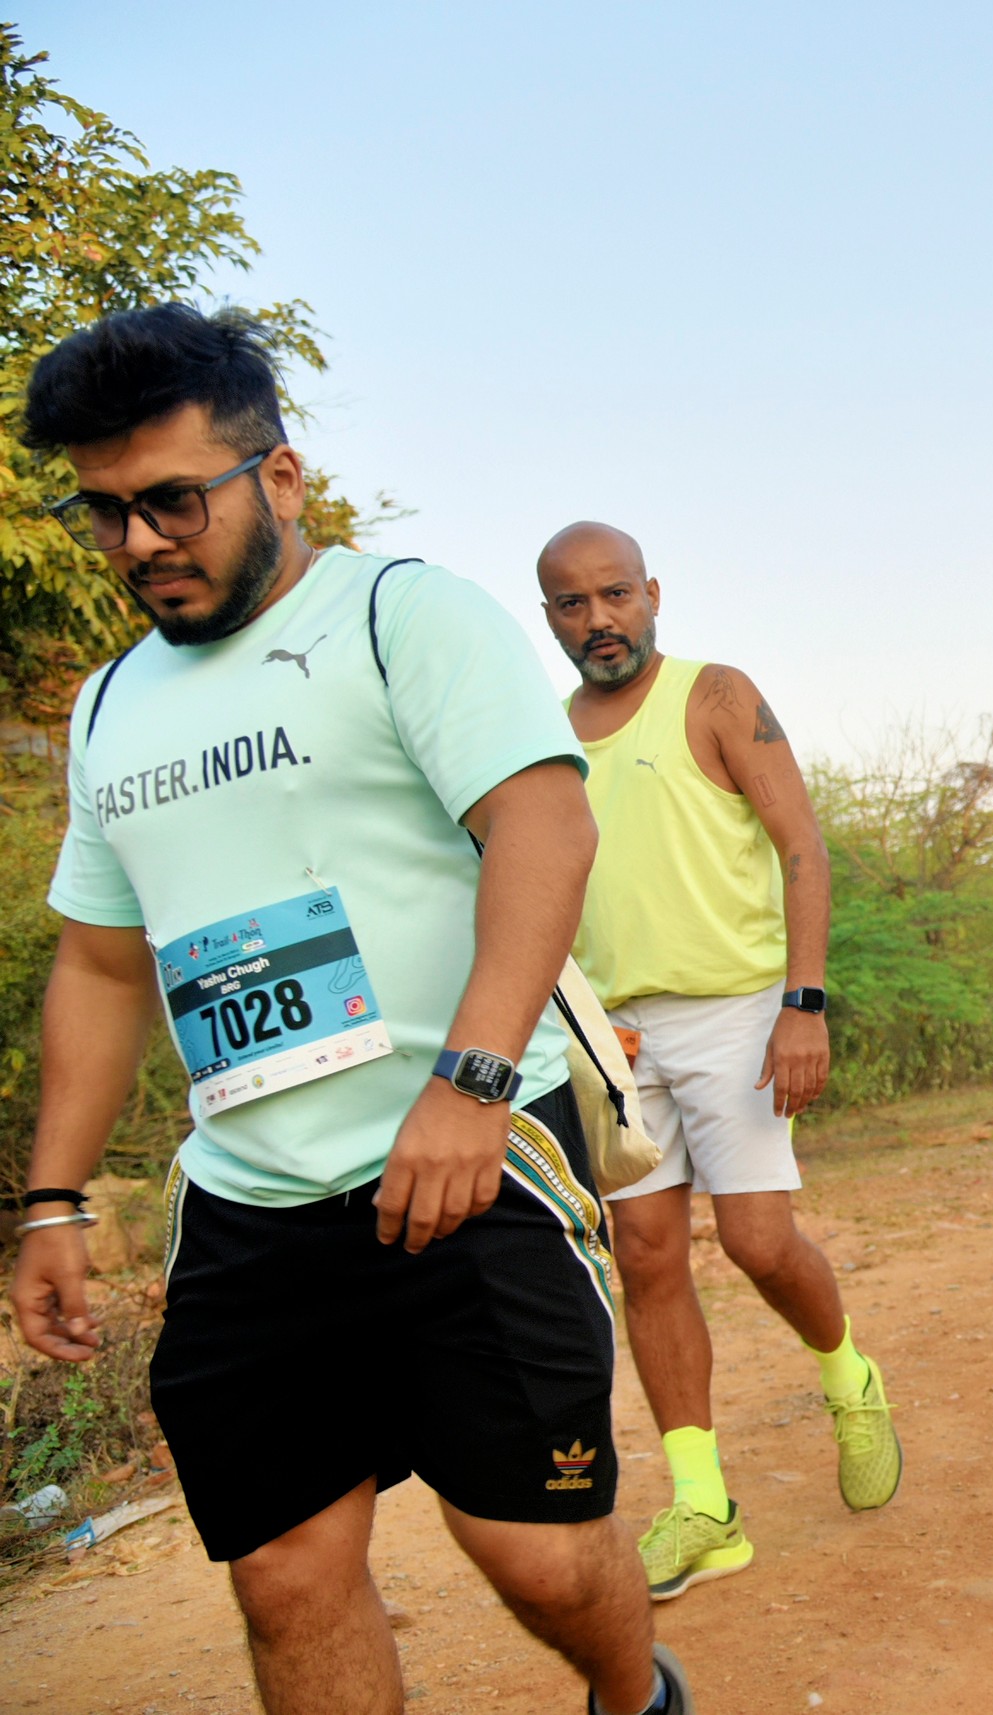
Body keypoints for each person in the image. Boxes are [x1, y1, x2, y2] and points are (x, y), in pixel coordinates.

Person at [7, 306, 689, 1715]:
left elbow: (543, 828)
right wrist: (54, 1198)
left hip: (472, 1159)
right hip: (249, 1199)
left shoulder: (402, 617)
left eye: (173, 500)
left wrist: (470, 1083)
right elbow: (103, 963)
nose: (139, 542)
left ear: (280, 474)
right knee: (284, 1574)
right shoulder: (109, 705)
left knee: (537, 1554)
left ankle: (636, 1696)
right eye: (106, 512)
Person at [535, 523, 898, 1604]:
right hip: (615, 1035)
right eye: (572, 604)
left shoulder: (716, 695)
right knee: (646, 1258)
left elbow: (801, 847)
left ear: (652, 592)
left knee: (755, 1240)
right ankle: (704, 1508)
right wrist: (578, 1017)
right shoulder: (543, 738)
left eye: (615, 594)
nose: (599, 620)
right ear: (550, 617)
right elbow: (535, 889)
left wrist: (803, 1002)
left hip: (738, 1009)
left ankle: (848, 1373)